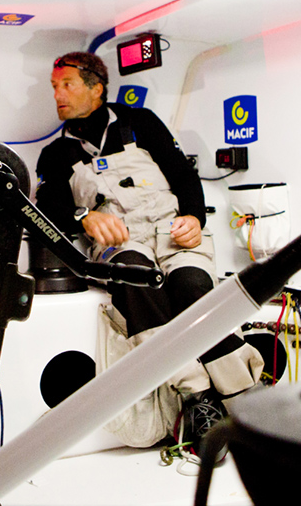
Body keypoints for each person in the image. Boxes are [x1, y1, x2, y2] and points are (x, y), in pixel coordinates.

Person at [35, 51, 263, 446]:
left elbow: (184, 176)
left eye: (67, 84)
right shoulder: (56, 154)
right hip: (122, 245)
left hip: (171, 234)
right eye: (55, 87)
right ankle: (197, 396)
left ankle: (246, 402)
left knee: (193, 289)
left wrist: (194, 217)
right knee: (138, 282)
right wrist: (82, 218)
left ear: (96, 87)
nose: (58, 94)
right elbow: (49, 207)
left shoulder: (139, 123)